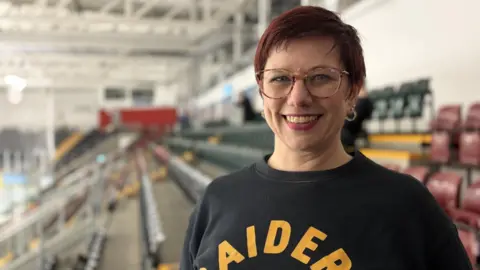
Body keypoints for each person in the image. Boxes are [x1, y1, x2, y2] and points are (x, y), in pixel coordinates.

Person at [180, 6, 472, 270]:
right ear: (261, 91)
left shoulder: (408, 208)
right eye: (280, 78)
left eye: (321, 77)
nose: (298, 98)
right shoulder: (215, 201)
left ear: (352, 92)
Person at [341, 86, 374, 151]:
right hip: (350, 124)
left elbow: (359, 115)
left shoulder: (363, 102)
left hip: (354, 126)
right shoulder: (354, 101)